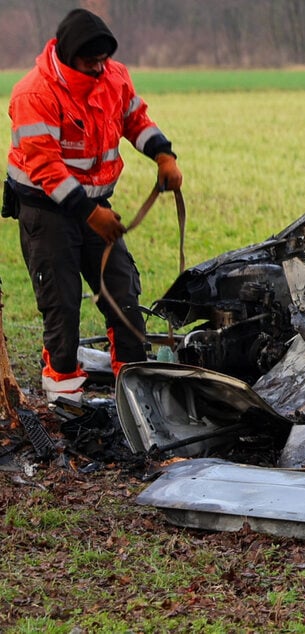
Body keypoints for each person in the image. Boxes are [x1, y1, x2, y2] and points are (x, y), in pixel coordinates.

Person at [4, 8, 183, 404]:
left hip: (96, 207)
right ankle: (63, 389)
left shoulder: (114, 76)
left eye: (104, 60)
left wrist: (163, 155)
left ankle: (134, 379)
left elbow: (136, 119)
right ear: (69, 57)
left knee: (122, 289)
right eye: (91, 62)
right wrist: (90, 214)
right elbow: (46, 168)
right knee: (61, 301)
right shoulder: (35, 94)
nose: (101, 69)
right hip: (46, 211)